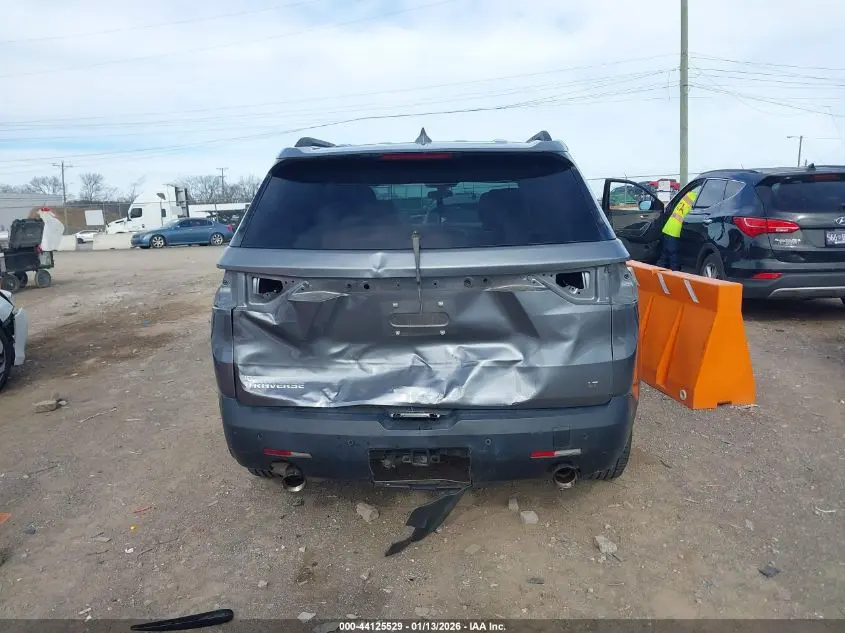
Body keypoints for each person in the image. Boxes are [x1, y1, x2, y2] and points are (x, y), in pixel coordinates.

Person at [656, 188, 699, 271]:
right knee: (674, 257)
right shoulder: (698, 198)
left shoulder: (689, 195)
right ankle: (674, 275)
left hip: (668, 227)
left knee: (664, 256)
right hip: (676, 231)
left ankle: (656, 274)